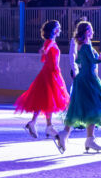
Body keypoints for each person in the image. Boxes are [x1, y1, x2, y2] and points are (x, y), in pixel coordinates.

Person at [62, 21, 101, 154]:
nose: (93, 32)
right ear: (86, 32)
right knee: (92, 108)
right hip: (88, 79)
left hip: (85, 78)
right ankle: (87, 138)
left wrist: (93, 58)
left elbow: (80, 61)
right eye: (91, 30)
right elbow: (93, 60)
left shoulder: (82, 45)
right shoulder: (85, 46)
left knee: (85, 108)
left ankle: (77, 136)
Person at [15, 20, 72, 148]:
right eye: (58, 28)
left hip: (51, 73)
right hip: (50, 74)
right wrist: (45, 49)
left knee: (44, 99)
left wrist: (45, 50)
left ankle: (36, 122)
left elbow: (44, 56)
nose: (60, 30)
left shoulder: (51, 42)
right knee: (48, 99)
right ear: (54, 30)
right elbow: (46, 50)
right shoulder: (50, 42)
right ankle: (48, 126)